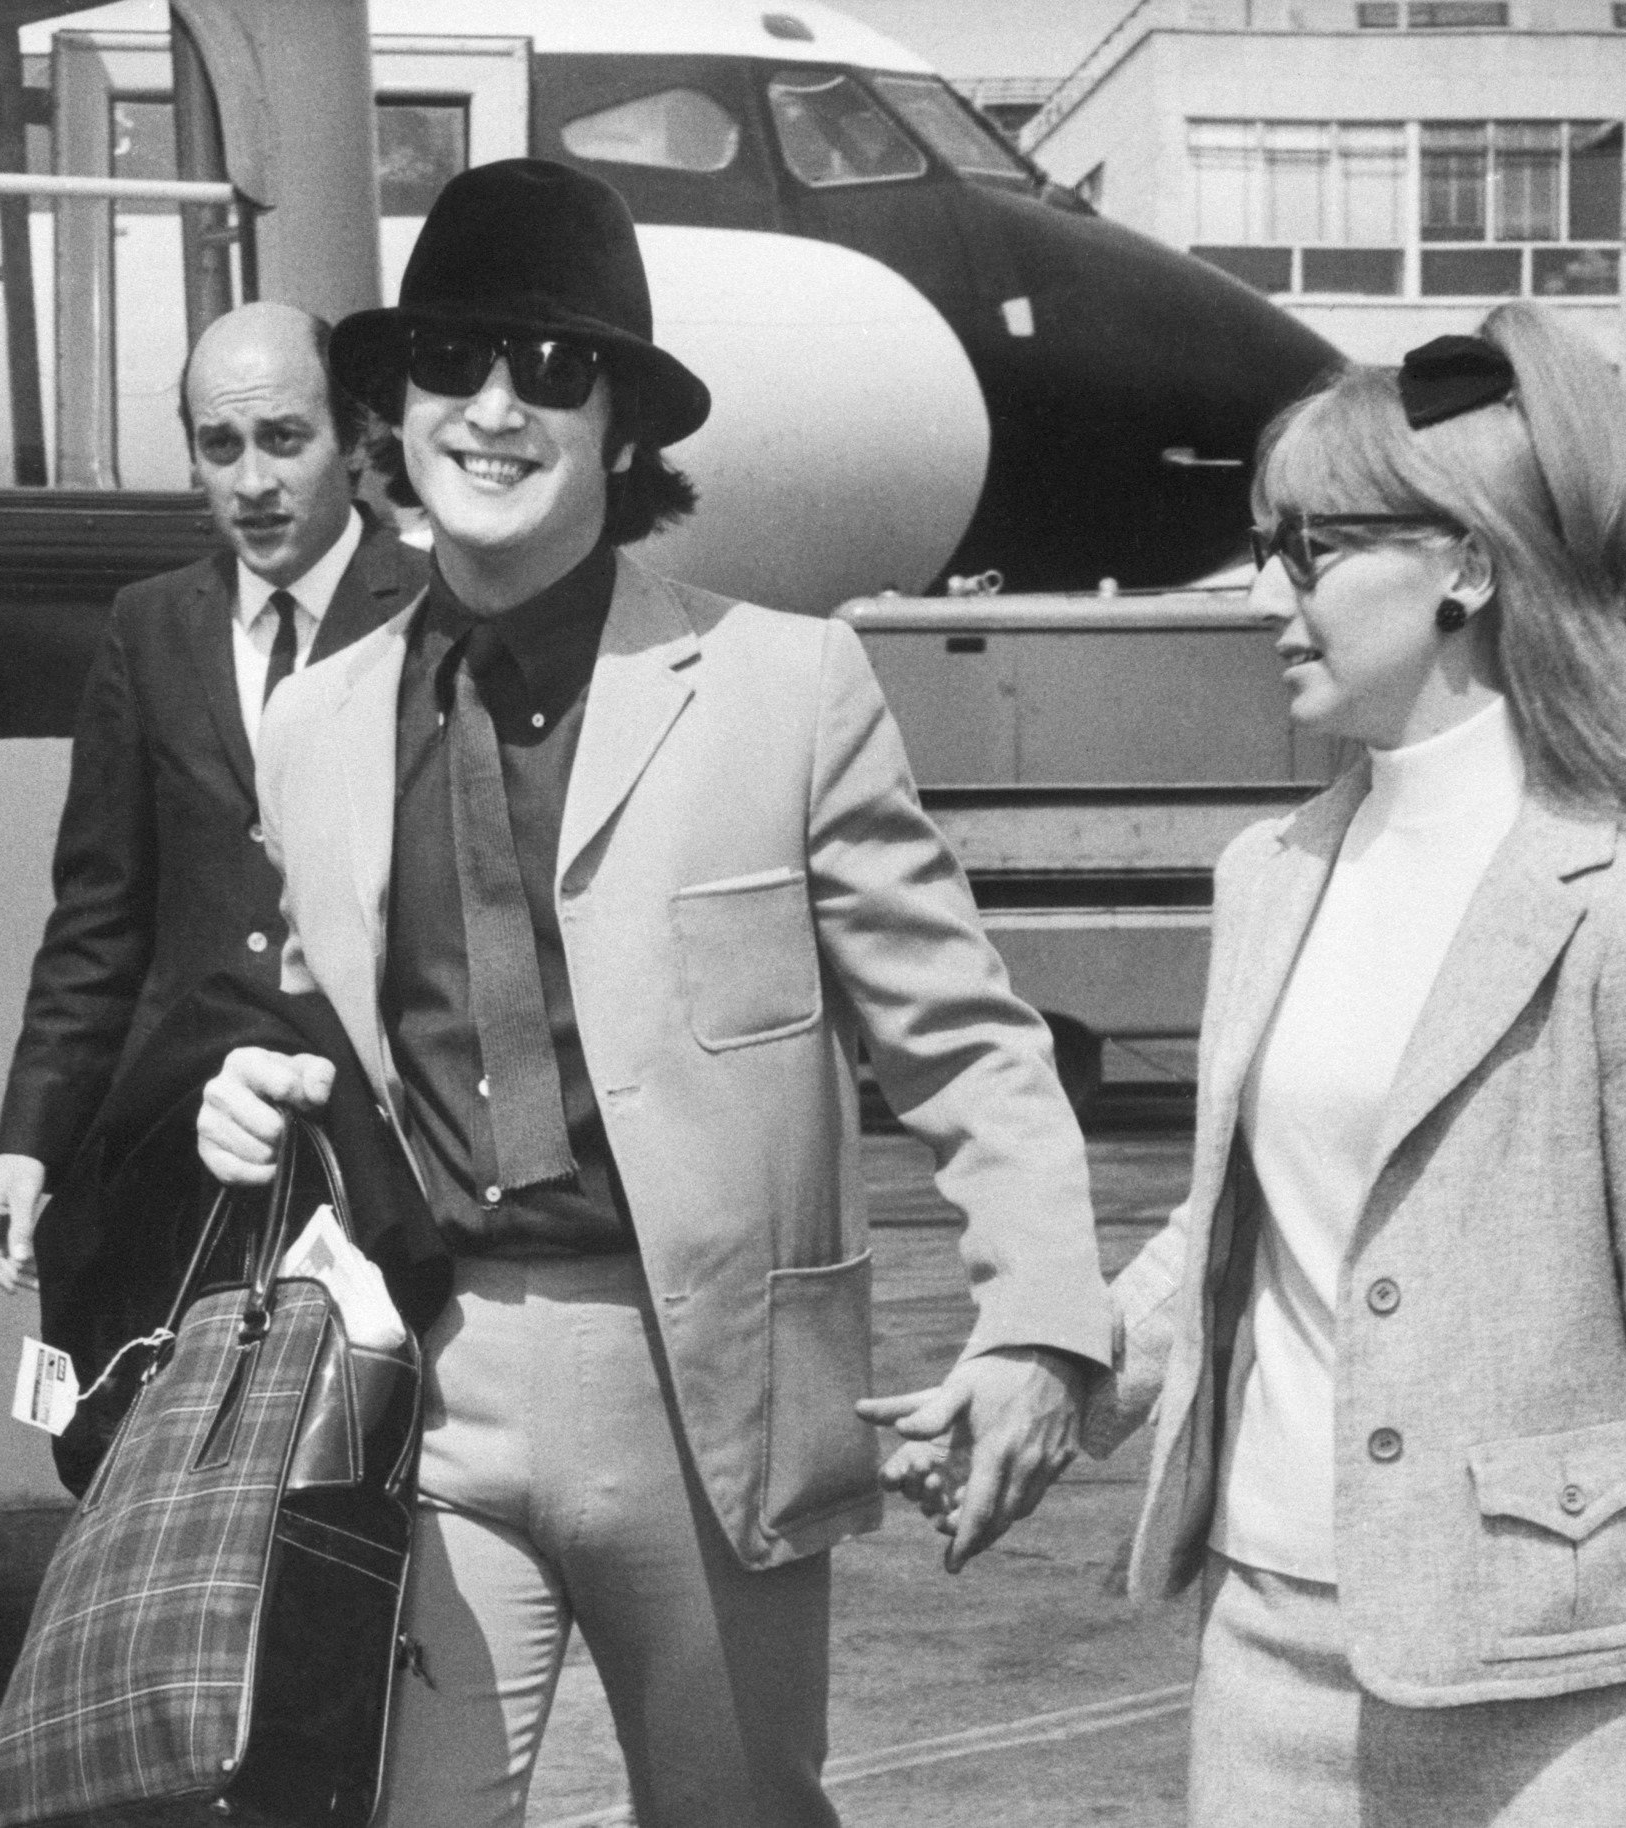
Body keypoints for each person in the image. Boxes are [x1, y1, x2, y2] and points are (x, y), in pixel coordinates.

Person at [192, 159, 1110, 1828]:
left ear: (624, 431)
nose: (495, 406)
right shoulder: (314, 730)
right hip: (430, 1386)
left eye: (554, 370)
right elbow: (305, 1027)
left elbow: (966, 1042)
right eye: (455, 360)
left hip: (706, 1399)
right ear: (390, 410)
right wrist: (245, 1089)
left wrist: (1044, 1317)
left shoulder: (787, 689)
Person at [1071, 304, 1626, 1826]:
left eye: (1313, 551)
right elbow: (1244, 1228)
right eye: (1269, 550)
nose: (1270, 598)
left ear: (1464, 564)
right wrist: (1052, 1367)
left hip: (1548, 1687)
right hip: (1266, 1640)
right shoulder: (1269, 872)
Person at [0, 301, 426, 1294]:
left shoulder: (433, 616)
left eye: (284, 440)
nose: (252, 481)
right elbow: (99, 918)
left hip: (373, 1153)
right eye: (221, 446)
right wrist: (29, 1140)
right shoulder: (149, 627)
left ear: (354, 442)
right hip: (180, 1141)